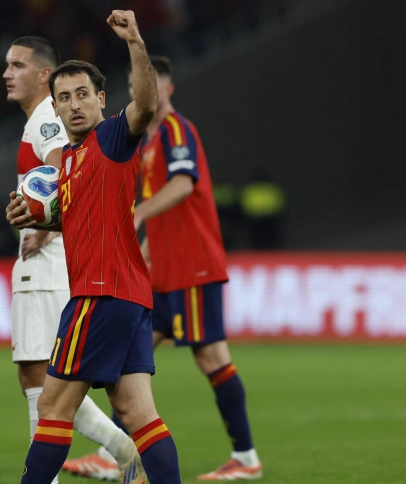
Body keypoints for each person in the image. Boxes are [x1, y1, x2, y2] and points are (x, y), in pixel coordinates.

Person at [68, 56, 263, 481]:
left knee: (211, 357)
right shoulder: (149, 142)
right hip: (163, 271)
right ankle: (117, 455)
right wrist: (148, 247)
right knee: (125, 362)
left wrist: (137, 215)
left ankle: (245, 456)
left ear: (167, 90)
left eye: (154, 84)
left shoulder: (176, 131)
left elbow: (184, 183)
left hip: (193, 266)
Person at [7, 11, 181, 484]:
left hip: (100, 295)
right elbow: (80, 217)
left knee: (52, 404)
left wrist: (135, 43)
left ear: (101, 99)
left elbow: (144, 104)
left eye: (83, 94)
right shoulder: (73, 163)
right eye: (64, 98)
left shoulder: (110, 139)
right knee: (136, 411)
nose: (74, 105)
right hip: (128, 297)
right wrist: (40, 216)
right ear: (56, 109)